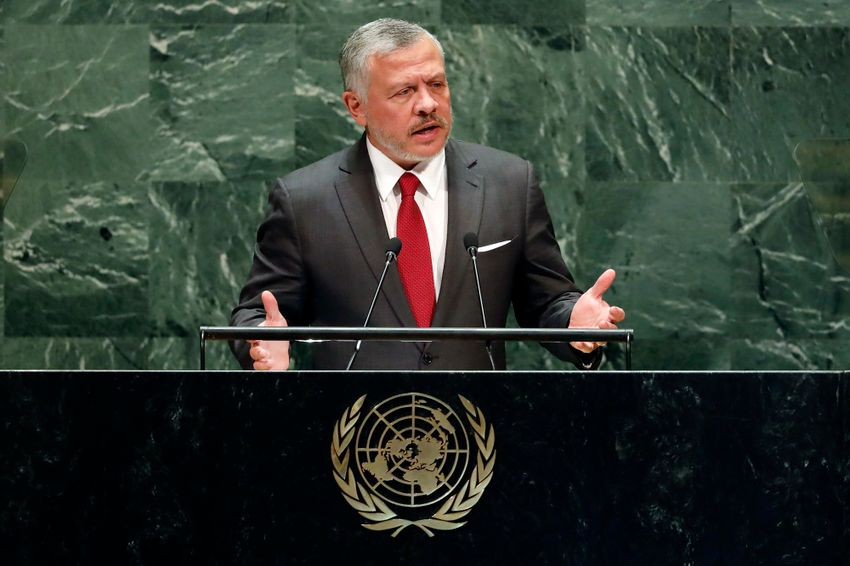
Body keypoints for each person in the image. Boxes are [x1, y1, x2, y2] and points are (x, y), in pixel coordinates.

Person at [230, 18, 625, 371]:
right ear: (357, 106)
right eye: (404, 92)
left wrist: (575, 322)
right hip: (354, 434)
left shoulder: (509, 183)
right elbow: (256, 316)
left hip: (476, 433)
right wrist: (263, 343)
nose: (428, 104)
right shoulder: (305, 200)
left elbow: (546, 302)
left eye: (436, 84)